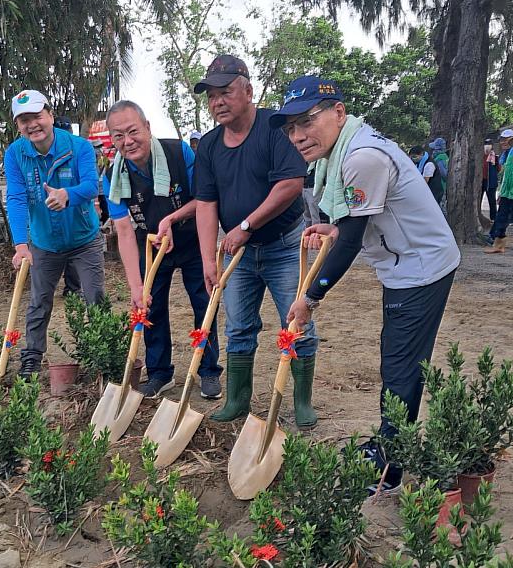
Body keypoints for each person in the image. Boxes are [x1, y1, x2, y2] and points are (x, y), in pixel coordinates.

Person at [271, 76, 460, 494]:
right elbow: (352, 222)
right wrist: (332, 227)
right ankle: (391, 445)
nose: (298, 136)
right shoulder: (342, 150)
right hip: (404, 264)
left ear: (338, 112)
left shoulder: (363, 157)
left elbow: (352, 239)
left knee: (400, 368)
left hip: (421, 267)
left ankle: (390, 468)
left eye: (306, 121)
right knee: (398, 361)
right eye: (290, 128)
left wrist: (309, 298)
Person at [192, 55, 319, 427]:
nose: (218, 102)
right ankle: (237, 400)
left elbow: (291, 183)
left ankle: (302, 401)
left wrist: (246, 224)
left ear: (248, 90)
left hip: (283, 245)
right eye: (212, 96)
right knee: (238, 327)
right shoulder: (211, 145)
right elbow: (205, 203)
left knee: (296, 321)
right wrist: (207, 261)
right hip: (239, 256)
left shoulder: (274, 128)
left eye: (226, 92)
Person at [103, 101, 223, 399]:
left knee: (203, 303)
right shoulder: (113, 176)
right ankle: (159, 373)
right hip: (153, 245)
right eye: (118, 136)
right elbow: (124, 231)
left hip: (193, 239)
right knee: (150, 305)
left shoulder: (179, 152)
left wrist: (173, 217)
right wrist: (135, 285)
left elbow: (205, 200)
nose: (127, 142)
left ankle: (208, 370)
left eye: (132, 131)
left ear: (147, 127)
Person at [4, 90, 105, 380]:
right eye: (23, 120)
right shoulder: (15, 153)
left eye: (36, 116)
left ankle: (98, 355)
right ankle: (32, 358)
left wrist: (67, 195)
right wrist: (21, 245)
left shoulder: (79, 147)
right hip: (44, 243)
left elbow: (90, 185)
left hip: (84, 240)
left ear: (49, 114)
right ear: (18, 125)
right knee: (39, 301)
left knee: (94, 296)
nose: (31, 124)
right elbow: (17, 198)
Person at [428, 137, 449, 215]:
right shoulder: (445, 156)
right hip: (442, 186)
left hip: (440, 187)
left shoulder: (440, 158)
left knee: (441, 209)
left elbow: (444, 174)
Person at [481, 138, 499, 221]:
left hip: (491, 182)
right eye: (486, 144)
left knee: (492, 201)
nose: (487, 146)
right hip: (481, 181)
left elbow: (498, 169)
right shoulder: (480, 156)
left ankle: (493, 218)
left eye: (489, 144)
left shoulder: (494, 156)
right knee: (478, 200)